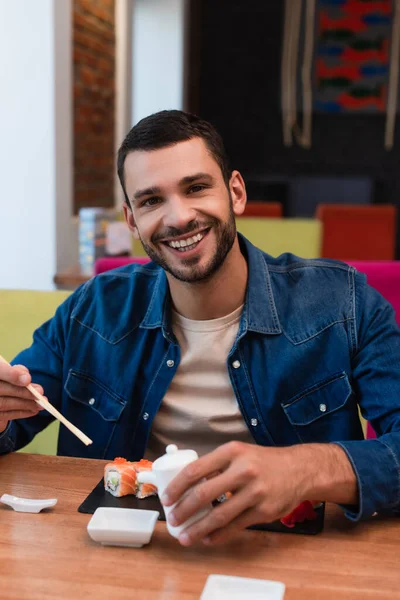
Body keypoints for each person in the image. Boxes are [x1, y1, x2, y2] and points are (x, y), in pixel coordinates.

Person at [1, 110, 399, 547]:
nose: (179, 217)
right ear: (132, 221)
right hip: (117, 558)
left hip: (292, 554)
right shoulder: (93, 309)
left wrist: (304, 470)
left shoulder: (344, 301)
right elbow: (15, 419)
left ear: (236, 192)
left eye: (195, 188)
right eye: (151, 201)